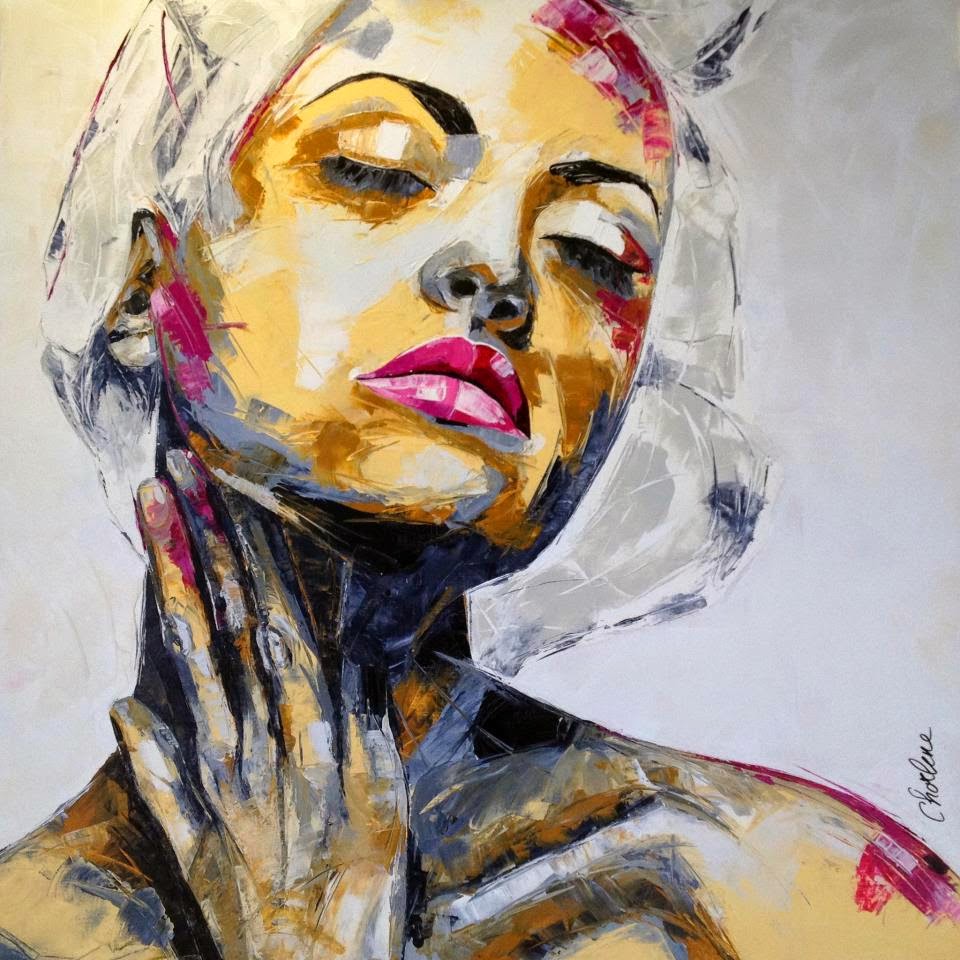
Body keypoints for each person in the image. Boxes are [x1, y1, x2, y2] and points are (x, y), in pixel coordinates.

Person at [1, 2, 957, 957]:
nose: (499, 272)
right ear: (146, 281)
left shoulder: (801, 895)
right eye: (377, 169)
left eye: (594, 251)